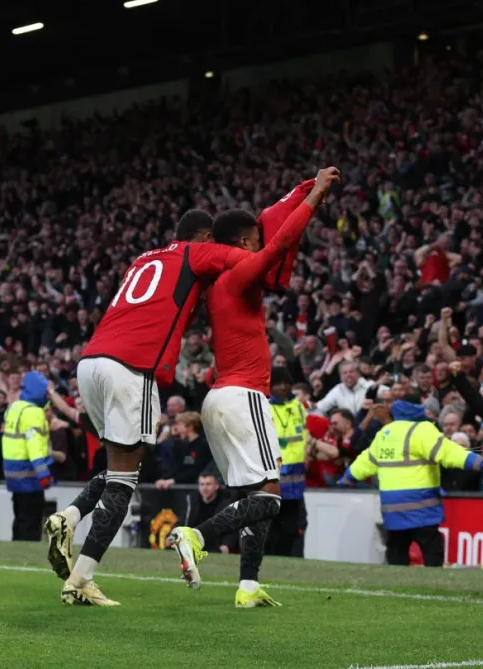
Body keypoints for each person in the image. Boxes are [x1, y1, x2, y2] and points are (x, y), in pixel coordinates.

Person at [43, 209, 252, 607]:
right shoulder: (196, 252)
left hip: (91, 362)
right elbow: (247, 260)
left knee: (120, 462)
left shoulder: (145, 259)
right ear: (204, 236)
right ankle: (81, 580)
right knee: (125, 479)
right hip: (131, 366)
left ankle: (67, 518)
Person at [167, 166, 340, 609]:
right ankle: (196, 535)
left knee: (252, 494)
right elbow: (280, 243)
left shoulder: (217, 288)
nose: (261, 248)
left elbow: (272, 233)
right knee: (270, 499)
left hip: (219, 397)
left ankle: (247, 585)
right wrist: (315, 195)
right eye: (254, 242)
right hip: (243, 397)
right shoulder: (236, 275)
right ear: (244, 244)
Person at [339, 400, 483, 566]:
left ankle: (396, 587)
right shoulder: (422, 430)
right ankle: (433, 584)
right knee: (432, 551)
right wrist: (478, 461)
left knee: (397, 552)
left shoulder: (385, 433)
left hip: (393, 510)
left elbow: (365, 461)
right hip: (422, 507)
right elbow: (448, 452)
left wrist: (347, 478)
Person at [2, 371, 53, 541]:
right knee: (31, 521)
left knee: (20, 518)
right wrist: (43, 473)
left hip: (13, 474)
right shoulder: (34, 413)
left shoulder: (15, 407)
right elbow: (34, 445)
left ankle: (16, 556)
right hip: (29, 476)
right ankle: (27, 556)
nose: (47, 395)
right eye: (45, 391)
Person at [266, 367, 308, 557]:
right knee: (272, 519)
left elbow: (305, 433)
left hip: (296, 475)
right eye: (278, 383)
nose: (283, 387)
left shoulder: (299, 406)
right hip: (273, 471)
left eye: (286, 383)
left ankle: (288, 557)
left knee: (293, 521)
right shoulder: (264, 407)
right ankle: (271, 556)